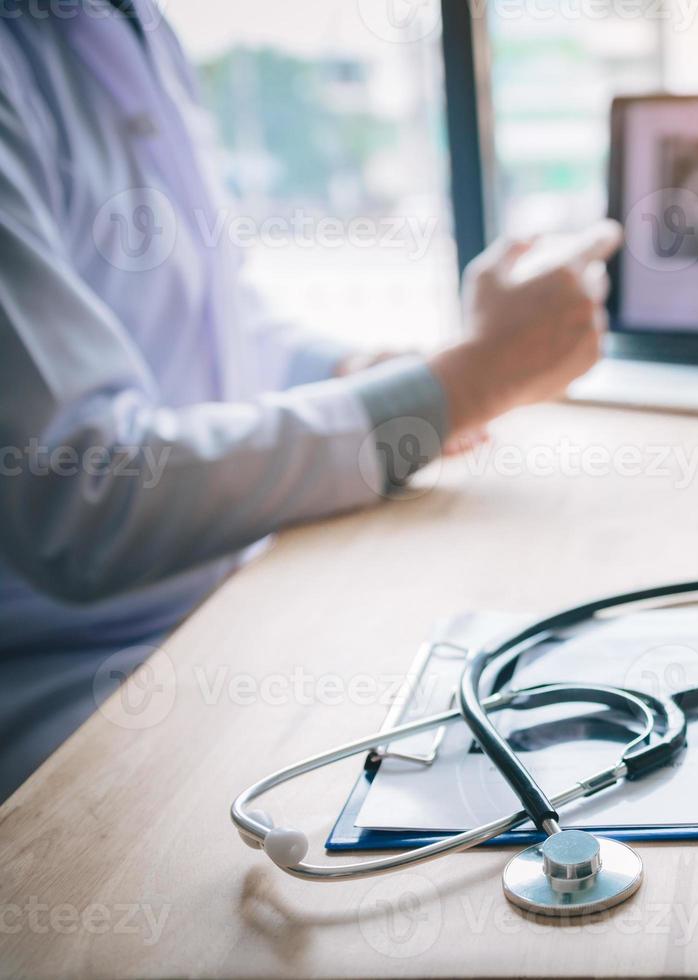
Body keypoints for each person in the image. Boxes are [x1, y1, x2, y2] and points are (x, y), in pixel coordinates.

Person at [0, 2, 617, 800]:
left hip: (226, 607)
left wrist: (357, 370)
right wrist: (458, 389)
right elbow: (82, 496)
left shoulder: (134, 24)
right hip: (76, 698)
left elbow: (213, 325)